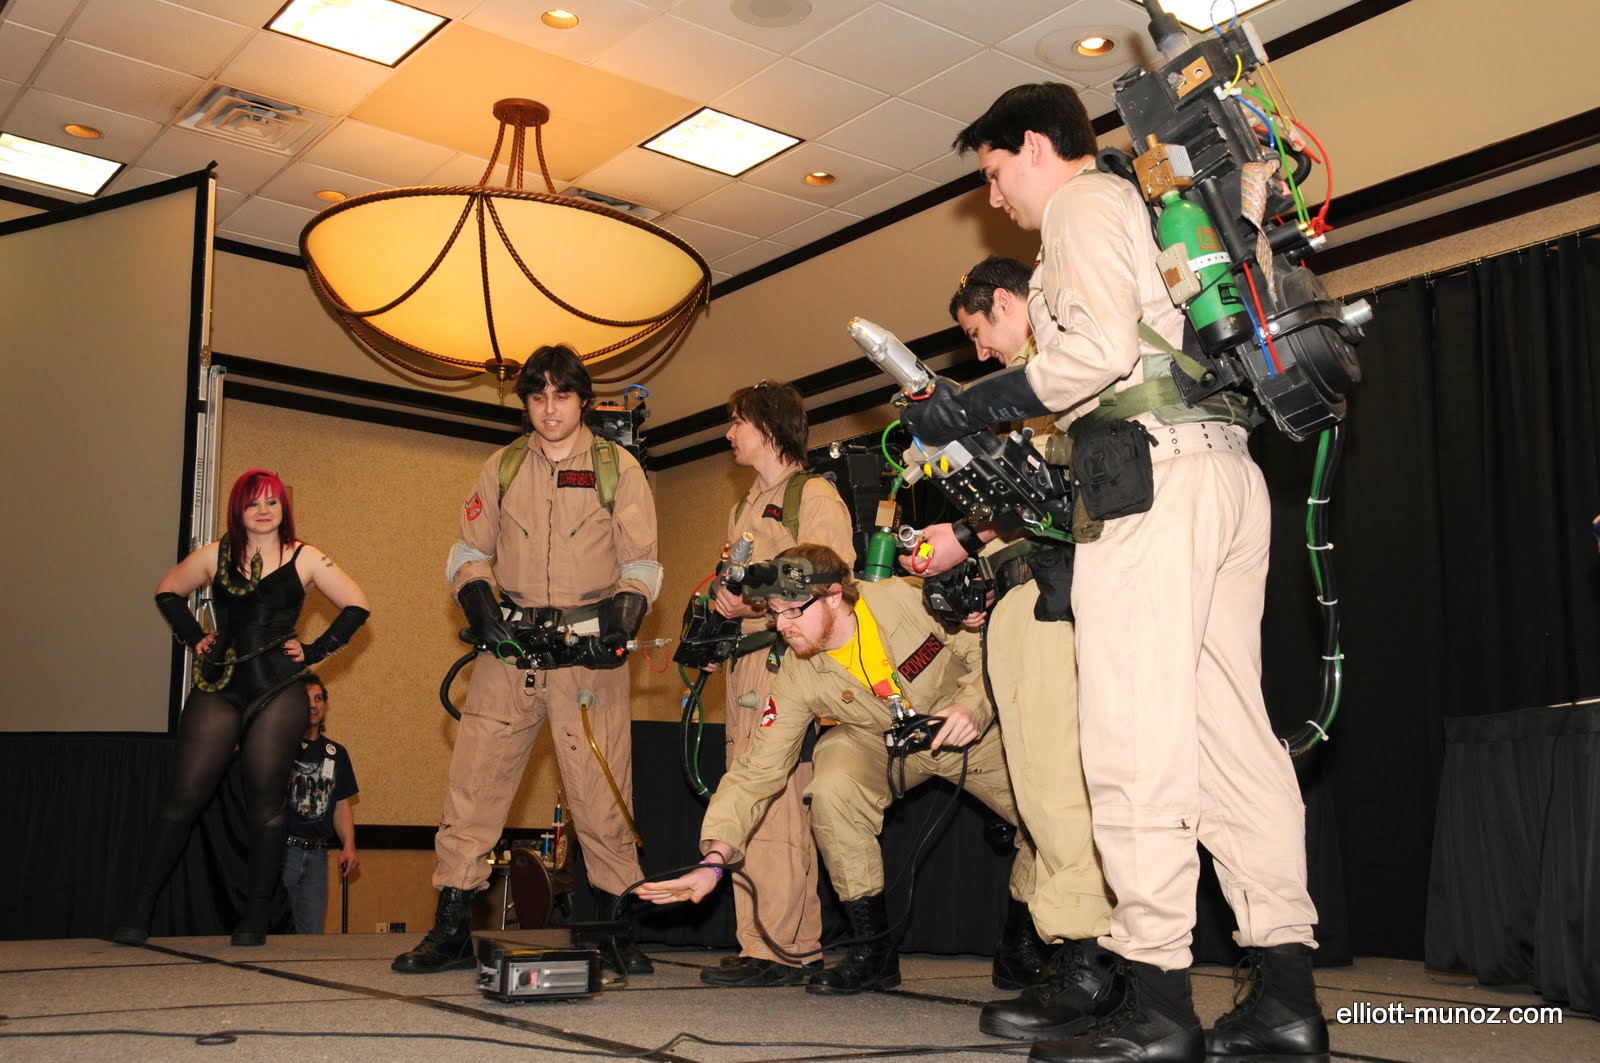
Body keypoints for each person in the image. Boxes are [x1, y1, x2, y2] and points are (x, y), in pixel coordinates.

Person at [901, 83, 1324, 1061]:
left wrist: (970, 405)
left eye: (995, 172)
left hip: (1150, 483)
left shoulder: (1083, 204)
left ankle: (1158, 1005)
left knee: (1132, 742)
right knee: (1232, 741)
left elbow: (1093, 354)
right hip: (1222, 471)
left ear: (1035, 145)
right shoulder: (1143, 205)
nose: (994, 197)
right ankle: (1287, 997)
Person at [635, 544, 1034, 996]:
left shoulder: (903, 600)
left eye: (793, 611)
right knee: (831, 785)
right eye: (775, 614)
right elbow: (757, 770)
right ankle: (872, 950)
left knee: (1048, 814)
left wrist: (972, 706)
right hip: (882, 742)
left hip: (970, 730)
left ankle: (1021, 944)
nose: (782, 626)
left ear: (833, 596)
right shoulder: (797, 672)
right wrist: (713, 863)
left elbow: (989, 649)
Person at [394, 344, 662, 977]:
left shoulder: (618, 468)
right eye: (538, 397)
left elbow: (641, 563)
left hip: (586, 654)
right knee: (474, 787)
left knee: (602, 792)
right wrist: (479, 602)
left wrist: (622, 623)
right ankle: (452, 929)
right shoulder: (503, 466)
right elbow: (468, 551)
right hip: (510, 651)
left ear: (582, 400)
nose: (550, 409)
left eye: (561, 395)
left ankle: (615, 929)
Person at [910, 255, 1120, 1040]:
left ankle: (1090, 966)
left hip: (1055, 594)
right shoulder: (1032, 390)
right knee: (1040, 789)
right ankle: (1080, 955)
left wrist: (966, 535)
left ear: (1007, 302)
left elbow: (1063, 490)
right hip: (1021, 597)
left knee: (1059, 785)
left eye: (979, 332)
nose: (981, 352)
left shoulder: (1060, 375)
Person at [115, 469, 371, 947]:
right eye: (253, 502)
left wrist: (315, 651)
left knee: (266, 804)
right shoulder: (217, 553)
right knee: (184, 795)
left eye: (272, 501)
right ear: (239, 508)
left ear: (283, 509)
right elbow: (167, 590)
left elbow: (357, 604)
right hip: (221, 683)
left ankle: (255, 918)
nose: (263, 510)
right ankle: (137, 911)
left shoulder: (305, 556)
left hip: (278, 687)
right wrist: (194, 637)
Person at [699, 381, 856, 987]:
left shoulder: (812, 495)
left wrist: (755, 604)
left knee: (783, 807)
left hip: (786, 665)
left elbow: (831, 577)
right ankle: (759, 941)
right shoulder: (743, 507)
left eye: (737, 421)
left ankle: (785, 947)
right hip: (743, 666)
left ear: (768, 427)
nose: (729, 433)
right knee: (749, 798)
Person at [281, 673, 360, 934]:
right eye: (307, 700)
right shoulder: (279, 747)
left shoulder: (336, 754)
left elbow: (341, 805)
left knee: (311, 935)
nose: (313, 706)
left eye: (318, 699)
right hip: (283, 853)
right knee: (277, 931)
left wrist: (348, 846)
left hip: (317, 855)